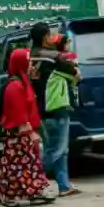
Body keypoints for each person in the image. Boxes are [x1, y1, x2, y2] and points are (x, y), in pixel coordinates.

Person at [0, 48, 53, 207]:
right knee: (16, 168)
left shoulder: (23, 82)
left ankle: (33, 192)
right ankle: (7, 197)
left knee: (27, 166)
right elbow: (18, 112)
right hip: (18, 135)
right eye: (29, 62)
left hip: (24, 134)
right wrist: (29, 132)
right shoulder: (14, 86)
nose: (31, 65)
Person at [42, 34, 81, 197]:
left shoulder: (45, 63)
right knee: (56, 150)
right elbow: (77, 76)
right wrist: (75, 70)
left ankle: (64, 185)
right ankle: (29, 177)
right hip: (58, 110)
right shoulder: (58, 67)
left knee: (61, 150)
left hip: (51, 110)